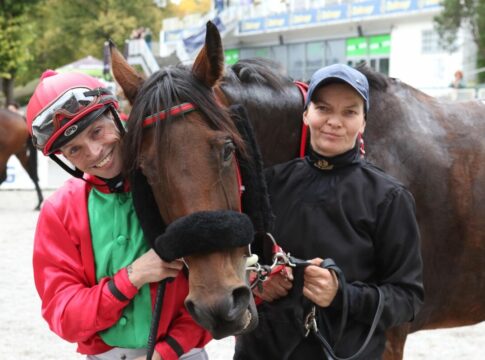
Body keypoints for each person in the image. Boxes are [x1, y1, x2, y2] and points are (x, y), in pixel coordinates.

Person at [235, 64, 424, 359]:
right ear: (306, 114)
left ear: (363, 123)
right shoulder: (269, 183)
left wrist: (342, 295)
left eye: (349, 112)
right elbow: (237, 260)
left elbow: (407, 299)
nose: (334, 121)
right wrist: (256, 282)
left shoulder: (389, 197)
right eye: (323, 108)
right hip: (262, 350)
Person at [26, 70, 211, 360]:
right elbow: (65, 316)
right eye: (75, 149)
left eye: (97, 131)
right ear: (63, 158)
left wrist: (167, 352)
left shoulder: (174, 182)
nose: (95, 152)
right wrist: (131, 277)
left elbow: (215, 285)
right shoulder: (58, 211)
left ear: (115, 115)